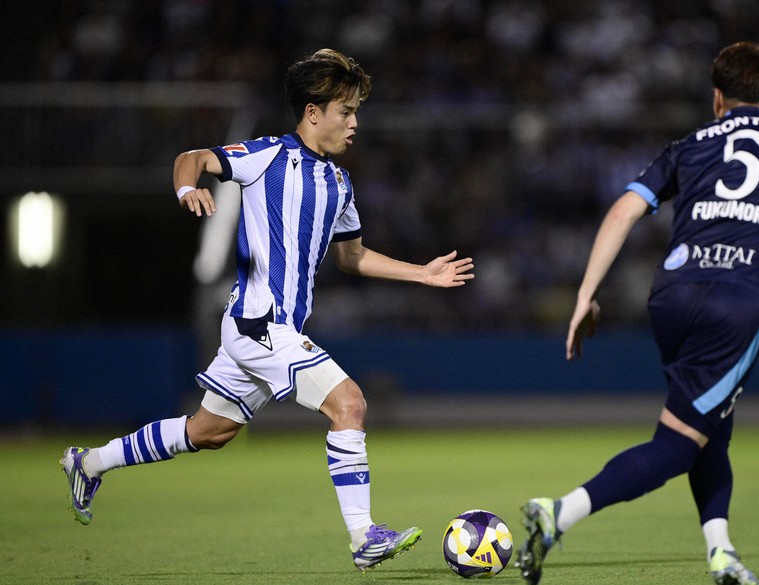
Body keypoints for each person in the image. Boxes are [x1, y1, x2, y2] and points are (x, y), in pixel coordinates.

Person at [60, 48, 475, 572]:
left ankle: (89, 463)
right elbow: (194, 157)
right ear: (312, 112)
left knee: (207, 432)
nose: (354, 123)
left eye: (356, 112)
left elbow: (352, 256)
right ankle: (364, 535)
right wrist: (188, 187)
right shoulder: (267, 156)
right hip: (257, 323)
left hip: (268, 330)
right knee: (349, 404)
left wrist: (422, 273)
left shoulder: (339, 184)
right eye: (346, 111)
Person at [518, 42, 759, 585]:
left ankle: (721, 552)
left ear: (718, 99)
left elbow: (624, 209)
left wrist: (585, 294)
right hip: (736, 301)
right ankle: (560, 513)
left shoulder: (689, 145)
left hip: (672, 295)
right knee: (677, 443)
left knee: (709, 427)